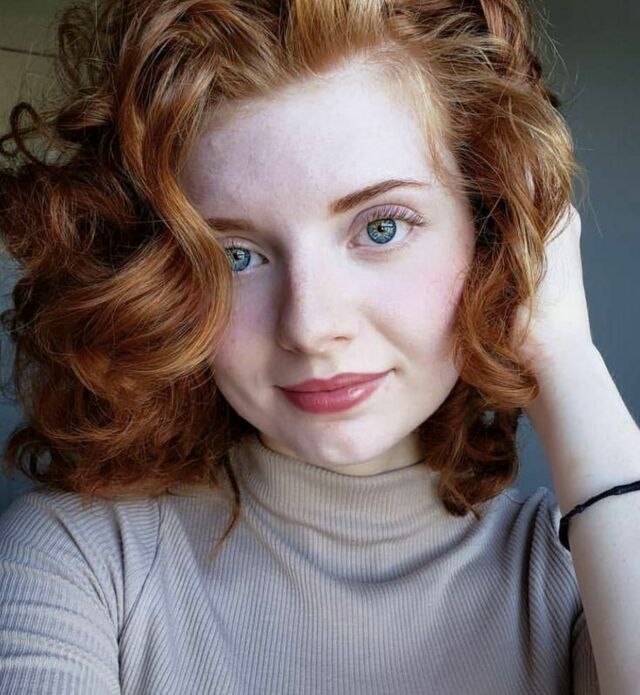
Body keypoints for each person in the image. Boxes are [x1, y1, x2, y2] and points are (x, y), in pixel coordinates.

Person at [7, 0, 639, 691]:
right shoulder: (77, 561)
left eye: (380, 228)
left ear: (489, 233)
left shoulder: (588, 574)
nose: (308, 327)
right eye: (235, 255)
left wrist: (565, 359)